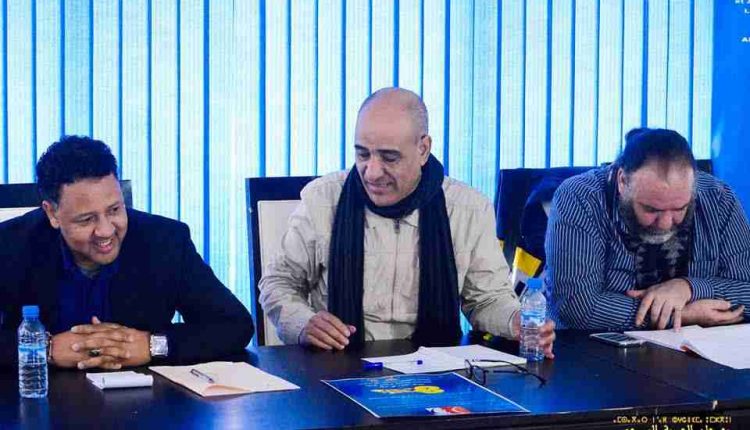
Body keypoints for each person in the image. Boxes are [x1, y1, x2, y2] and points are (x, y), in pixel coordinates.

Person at [259, 87, 555, 356]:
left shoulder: (468, 208)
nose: (372, 172)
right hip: (336, 366)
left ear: (423, 149)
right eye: (362, 154)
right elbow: (278, 283)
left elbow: (487, 299)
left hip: (435, 370)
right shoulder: (322, 199)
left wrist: (516, 321)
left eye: (389, 158)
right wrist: (304, 323)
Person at [0, 136, 253, 370]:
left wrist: (152, 345)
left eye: (114, 210)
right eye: (87, 219)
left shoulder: (165, 240)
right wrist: (45, 348)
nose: (106, 231)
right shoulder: (11, 245)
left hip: (146, 399)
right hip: (41, 397)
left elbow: (234, 325)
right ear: (52, 213)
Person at [546, 128, 749, 331]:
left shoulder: (718, 198)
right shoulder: (580, 197)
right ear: (622, 181)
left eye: (680, 208)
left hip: (700, 346)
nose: (666, 224)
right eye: (652, 210)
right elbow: (576, 306)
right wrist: (682, 315)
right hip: (593, 344)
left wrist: (688, 287)